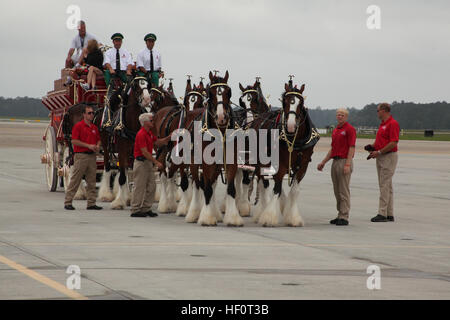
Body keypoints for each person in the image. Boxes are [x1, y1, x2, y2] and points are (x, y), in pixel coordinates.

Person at [317, 108, 356, 226]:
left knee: (344, 190)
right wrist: (323, 162)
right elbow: (333, 148)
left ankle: (344, 216)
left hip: (344, 161)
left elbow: (352, 147)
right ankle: (340, 214)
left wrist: (348, 164)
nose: (340, 116)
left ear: (346, 117)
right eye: (338, 115)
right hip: (335, 161)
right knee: (337, 190)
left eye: (342, 115)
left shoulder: (350, 129)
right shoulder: (335, 130)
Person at [365, 103, 400, 222]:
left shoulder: (393, 123)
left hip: (388, 156)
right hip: (381, 156)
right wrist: (372, 147)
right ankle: (389, 213)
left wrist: (379, 152)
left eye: (378, 110)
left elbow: (394, 142)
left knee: (384, 184)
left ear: (384, 111)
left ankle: (382, 213)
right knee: (387, 185)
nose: (377, 112)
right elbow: (379, 141)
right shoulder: (382, 125)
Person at [130, 113, 170, 217]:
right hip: (141, 162)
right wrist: (156, 162)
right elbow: (145, 152)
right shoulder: (141, 134)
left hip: (147, 163)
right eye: (151, 121)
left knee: (151, 186)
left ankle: (146, 208)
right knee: (139, 186)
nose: (153, 122)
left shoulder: (149, 133)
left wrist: (168, 138)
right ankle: (135, 209)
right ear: (145, 122)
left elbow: (157, 142)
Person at [64, 106, 102, 210]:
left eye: (92, 113)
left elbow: (99, 139)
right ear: (84, 114)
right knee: (76, 179)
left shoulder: (94, 128)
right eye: (89, 113)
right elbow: (74, 141)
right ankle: (68, 202)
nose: (91, 115)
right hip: (81, 156)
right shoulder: (78, 126)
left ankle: (91, 203)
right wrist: (88, 145)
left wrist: (98, 145)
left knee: (91, 181)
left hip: (92, 156)